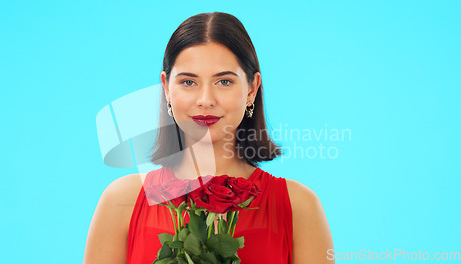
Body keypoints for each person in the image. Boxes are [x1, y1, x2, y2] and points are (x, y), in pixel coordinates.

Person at [84, 12, 334, 264]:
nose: (205, 100)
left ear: (251, 89)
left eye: (224, 81)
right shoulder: (121, 201)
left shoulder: (299, 206)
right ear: (166, 89)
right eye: (188, 82)